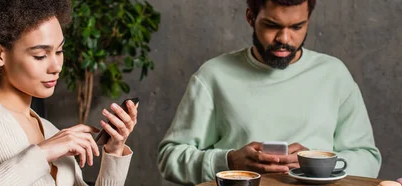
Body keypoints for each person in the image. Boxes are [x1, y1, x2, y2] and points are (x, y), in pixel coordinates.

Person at [157, 0, 382, 184]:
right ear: (250, 18)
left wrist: (317, 165)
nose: (284, 39)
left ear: (308, 21)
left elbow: (369, 159)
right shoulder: (213, 75)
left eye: (297, 27)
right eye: (272, 25)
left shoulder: (334, 74)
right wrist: (229, 162)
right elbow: (169, 158)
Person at [0, 0, 138, 185]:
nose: (56, 66)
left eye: (59, 51)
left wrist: (114, 151)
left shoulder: (51, 131)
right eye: (40, 55)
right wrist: (42, 153)